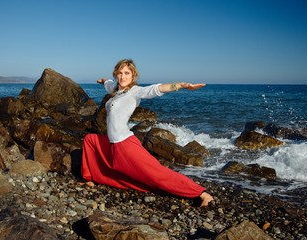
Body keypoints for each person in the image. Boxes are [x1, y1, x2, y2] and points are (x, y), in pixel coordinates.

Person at [81, 59, 214, 207]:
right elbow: (108, 84)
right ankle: (89, 177)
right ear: (116, 74)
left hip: (125, 144)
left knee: (157, 174)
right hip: (113, 144)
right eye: (120, 73)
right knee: (90, 139)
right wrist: (102, 80)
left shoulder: (134, 91)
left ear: (133, 76)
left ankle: (202, 193)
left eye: (127, 73)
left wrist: (181, 85)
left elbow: (157, 89)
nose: (123, 76)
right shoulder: (115, 89)